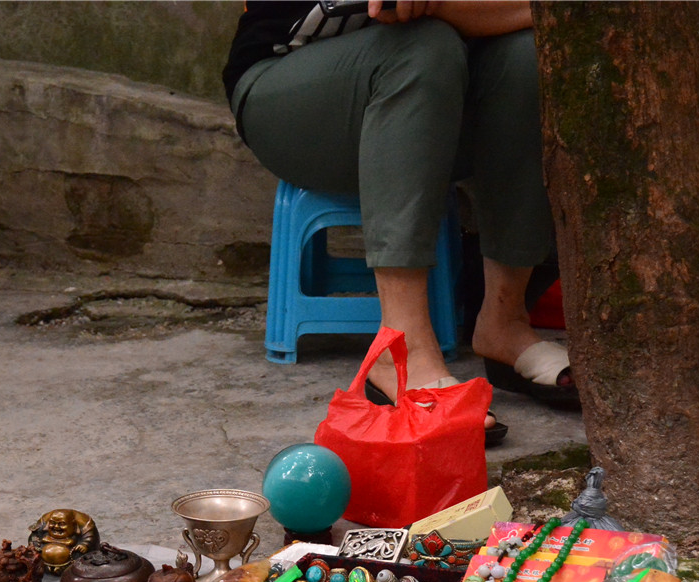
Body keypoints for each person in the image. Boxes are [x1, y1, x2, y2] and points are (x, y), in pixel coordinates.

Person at [223, 0, 578, 446]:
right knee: (422, 45)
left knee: (528, 55)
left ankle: (504, 322)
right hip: (290, 90)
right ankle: (399, 348)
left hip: (443, 95)